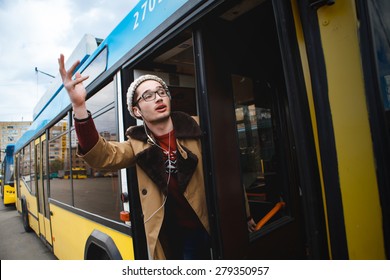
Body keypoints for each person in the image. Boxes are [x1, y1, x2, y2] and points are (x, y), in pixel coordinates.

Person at [58, 54, 256, 259]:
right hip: (177, 236)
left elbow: (228, 173)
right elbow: (102, 156)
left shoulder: (200, 127)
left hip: (214, 226)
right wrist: (79, 106)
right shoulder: (137, 145)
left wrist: (244, 213)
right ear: (136, 110)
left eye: (162, 92)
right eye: (148, 96)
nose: (158, 97)